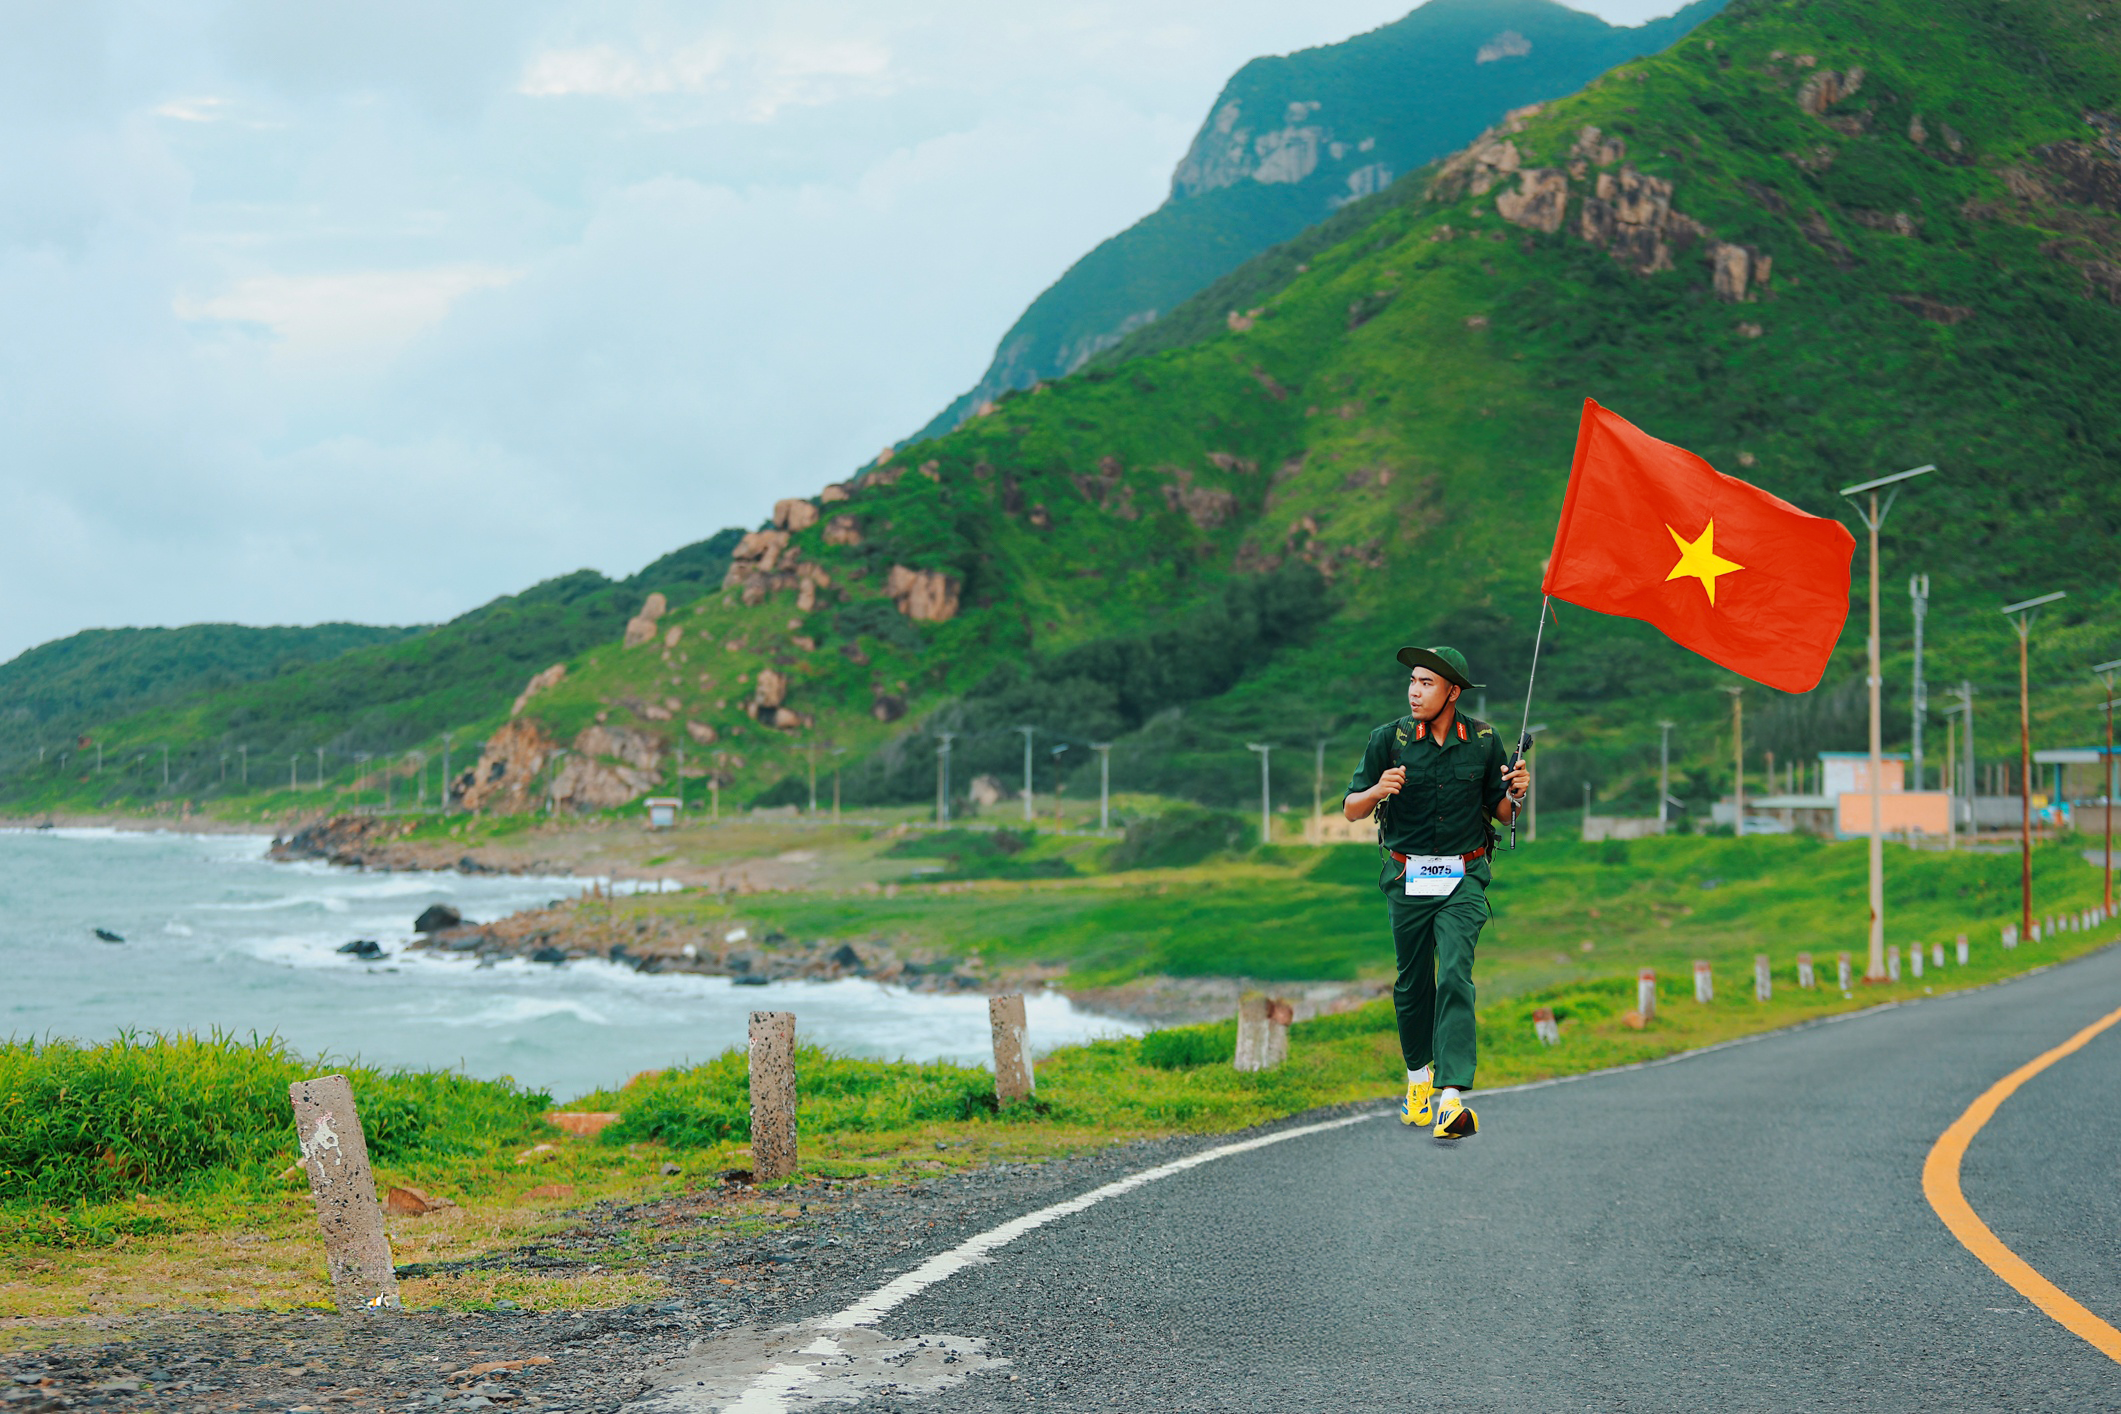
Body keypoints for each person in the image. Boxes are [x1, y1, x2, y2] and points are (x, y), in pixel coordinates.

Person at [1342, 646, 1529, 1140]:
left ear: (1453, 691)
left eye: (1426, 682)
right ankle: (1417, 1078)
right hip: (1407, 877)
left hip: (1464, 877)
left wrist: (1517, 793)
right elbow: (1351, 808)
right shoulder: (1388, 740)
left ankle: (1451, 1099)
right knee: (1412, 984)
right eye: (1412, 681)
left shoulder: (1484, 741)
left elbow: (1502, 812)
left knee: (1454, 974)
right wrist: (1377, 790)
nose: (1414, 691)